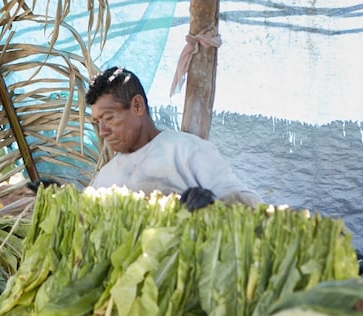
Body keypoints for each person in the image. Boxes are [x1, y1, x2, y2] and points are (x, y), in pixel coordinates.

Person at [85, 66, 262, 211]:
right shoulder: (105, 176)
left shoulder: (188, 151)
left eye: (109, 118)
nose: (102, 131)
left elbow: (252, 205)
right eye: (98, 122)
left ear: (137, 106)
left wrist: (214, 203)